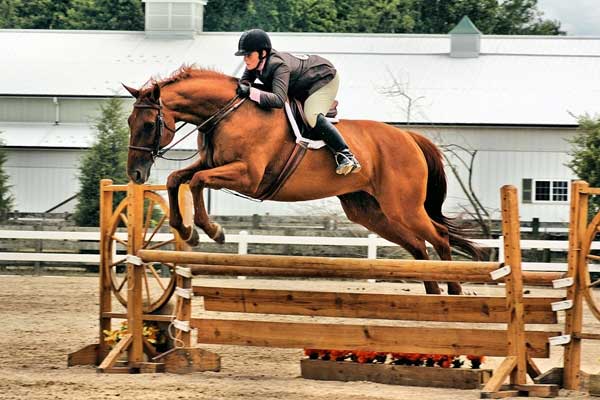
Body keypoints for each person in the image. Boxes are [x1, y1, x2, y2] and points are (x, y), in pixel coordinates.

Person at [235, 29, 361, 175]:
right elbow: (243, 84)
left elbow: (278, 100)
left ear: (263, 53)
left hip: (324, 79)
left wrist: (251, 92)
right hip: (303, 82)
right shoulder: (255, 64)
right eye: (244, 55)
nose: (245, 59)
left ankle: (345, 154)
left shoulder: (277, 66)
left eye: (248, 55)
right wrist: (244, 88)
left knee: (311, 115)